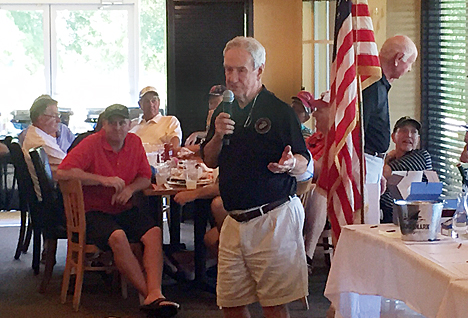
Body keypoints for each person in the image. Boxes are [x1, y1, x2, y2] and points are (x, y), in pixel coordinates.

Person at [201, 36, 310, 318]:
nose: (232, 77)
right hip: (234, 221)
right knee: (230, 302)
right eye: (228, 70)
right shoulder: (224, 110)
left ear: (259, 70)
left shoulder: (280, 112)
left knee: (273, 305)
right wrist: (217, 136)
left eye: (240, 70)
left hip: (272, 218)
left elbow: (304, 162)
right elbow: (210, 159)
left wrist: (289, 164)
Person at [57, 104, 179, 317]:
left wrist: (130, 189)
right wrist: (101, 180)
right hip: (93, 212)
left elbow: (144, 177)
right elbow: (63, 172)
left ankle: (155, 293)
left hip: (123, 208)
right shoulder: (91, 144)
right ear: (103, 125)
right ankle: (151, 296)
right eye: (112, 123)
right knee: (118, 237)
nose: (117, 127)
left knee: (154, 233)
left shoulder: (134, 142)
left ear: (129, 124)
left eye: (122, 122)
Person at [363, 35, 418, 186]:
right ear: (398, 58)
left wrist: (379, 167)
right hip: (363, 165)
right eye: (410, 63)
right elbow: (358, 132)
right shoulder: (372, 86)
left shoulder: (379, 85)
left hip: (372, 164)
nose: (409, 69)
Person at [380, 116, 432, 223]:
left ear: (418, 139)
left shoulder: (421, 157)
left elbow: (382, 174)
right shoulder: (390, 162)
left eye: (413, 132)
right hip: (389, 221)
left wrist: (386, 158)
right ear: (393, 137)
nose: (408, 135)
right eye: (403, 131)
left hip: (418, 222)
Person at [22, 94, 66, 198]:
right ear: (40, 118)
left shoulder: (36, 134)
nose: (59, 120)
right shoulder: (40, 142)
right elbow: (70, 168)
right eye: (54, 116)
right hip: (54, 201)